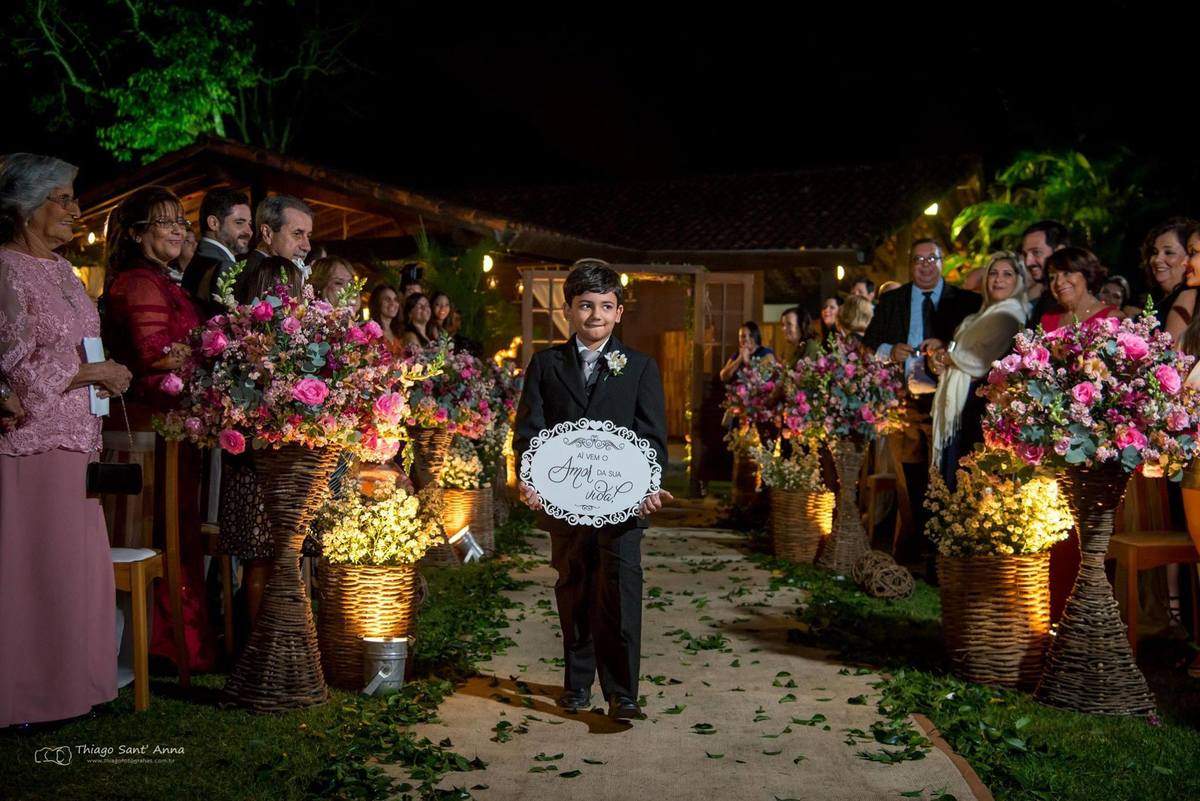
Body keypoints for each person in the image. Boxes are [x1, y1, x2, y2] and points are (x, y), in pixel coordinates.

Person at [0, 153, 133, 728]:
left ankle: (77, 689)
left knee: (78, 570)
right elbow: (14, 366)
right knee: (36, 573)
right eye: (64, 198)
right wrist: (91, 374)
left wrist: (106, 372)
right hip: (35, 438)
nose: (76, 210)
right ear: (26, 207)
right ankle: (28, 699)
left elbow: (79, 347)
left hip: (80, 433)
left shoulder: (62, 272)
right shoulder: (6, 268)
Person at [515, 258, 670, 721]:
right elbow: (529, 432)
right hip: (565, 505)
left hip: (624, 506)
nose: (596, 315)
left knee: (620, 592)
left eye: (606, 306)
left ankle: (622, 693)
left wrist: (650, 484)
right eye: (586, 306)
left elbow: (652, 437)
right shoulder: (545, 365)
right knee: (575, 588)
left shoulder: (640, 367)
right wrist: (529, 479)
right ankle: (577, 684)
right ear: (568, 310)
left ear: (619, 312)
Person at [101, 185, 215, 675]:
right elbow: (155, 355)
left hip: (171, 430)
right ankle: (163, 648)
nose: (176, 229)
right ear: (135, 232)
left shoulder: (165, 281)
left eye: (180, 222)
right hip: (146, 433)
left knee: (180, 534)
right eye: (164, 221)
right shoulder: (139, 283)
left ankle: (173, 646)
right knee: (163, 533)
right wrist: (215, 354)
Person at [863, 238, 981, 569]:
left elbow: (980, 346)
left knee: (951, 475)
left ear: (942, 262)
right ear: (909, 264)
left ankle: (950, 550)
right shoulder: (893, 301)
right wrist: (890, 351)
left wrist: (948, 345)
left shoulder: (966, 301)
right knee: (911, 477)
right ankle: (919, 554)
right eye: (918, 259)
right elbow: (868, 345)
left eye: (932, 258)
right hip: (909, 403)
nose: (925, 265)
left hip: (953, 402)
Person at [927, 252, 1027, 489]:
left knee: (968, 478)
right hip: (960, 400)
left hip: (978, 403)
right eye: (993, 273)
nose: (998, 280)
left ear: (1018, 281)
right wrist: (942, 359)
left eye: (1007, 274)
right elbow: (956, 350)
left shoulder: (1009, 314)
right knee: (951, 478)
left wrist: (948, 357)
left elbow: (979, 359)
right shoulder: (978, 316)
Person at [181, 188, 252, 317]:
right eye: (239, 223)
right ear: (213, 223)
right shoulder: (224, 268)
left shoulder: (198, 261)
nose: (249, 232)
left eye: (249, 224)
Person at [1039, 247, 1121, 333]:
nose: (1059, 282)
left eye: (1066, 273)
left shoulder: (1112, 318)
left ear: (1087, 274)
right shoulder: (1047, 320)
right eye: (1052, 277)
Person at [1142, 219, 1194, 328]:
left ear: (1190, 257)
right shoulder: (1156, 298)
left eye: (1169, 252)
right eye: (1155, 252)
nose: (1156, 260)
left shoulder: (1189, 297)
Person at [245, 195, 313, 277]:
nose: (307, 247)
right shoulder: (255, 276)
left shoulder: (275, 271)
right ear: (267, 234)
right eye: (297, 234)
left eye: (308, 236)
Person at [1020, 220, 1070, 327]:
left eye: (1036, 252)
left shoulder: (1067, 299)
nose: (1028, 262)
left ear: (1060, 251)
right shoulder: (1046, 298)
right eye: (1025, 254)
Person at [368, 284, 405, 354]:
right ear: (377, 303)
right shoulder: (370, 331)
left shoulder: (398, 332)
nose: (393, 303)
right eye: (387, 299)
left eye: (395, 299)